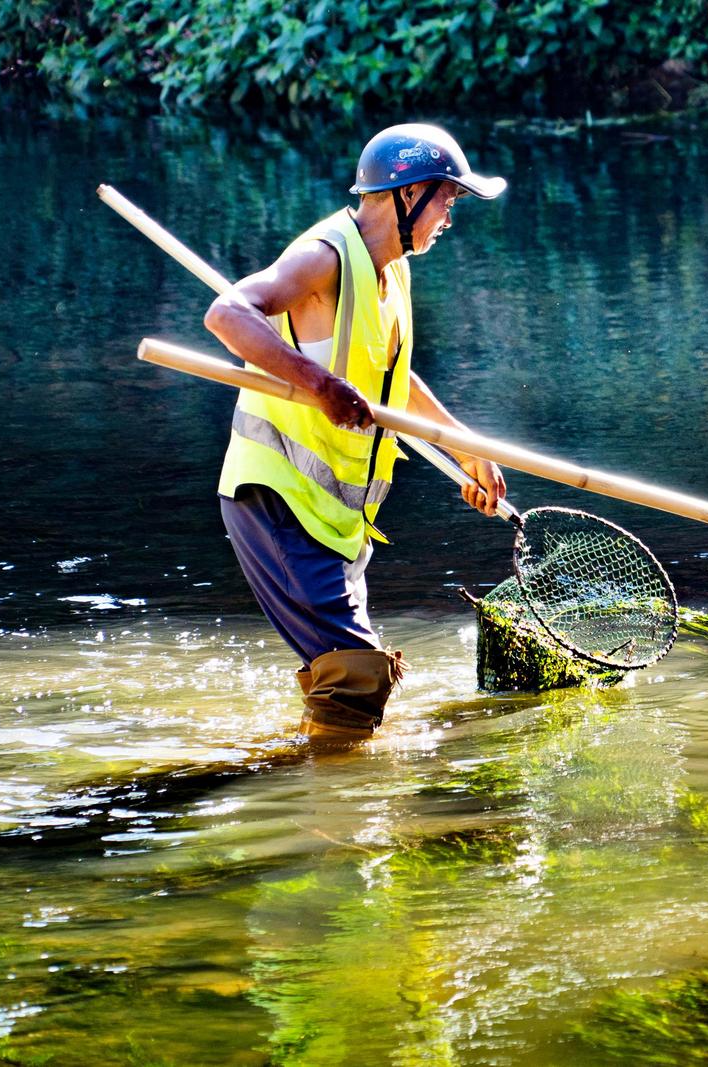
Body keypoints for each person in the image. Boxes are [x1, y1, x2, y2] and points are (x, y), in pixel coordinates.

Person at [204, 123, 508, 741]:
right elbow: (227, 313)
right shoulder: (324, 257)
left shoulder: (391, 272)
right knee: (357, 678)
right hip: (279, 501)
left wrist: (463, 448)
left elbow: (393, 376)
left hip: (337, 520)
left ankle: (317, 777)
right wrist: (320, 386)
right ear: (409, 194)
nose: (450, 215)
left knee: (356, 686)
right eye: (447, 198)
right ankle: (324, 813)